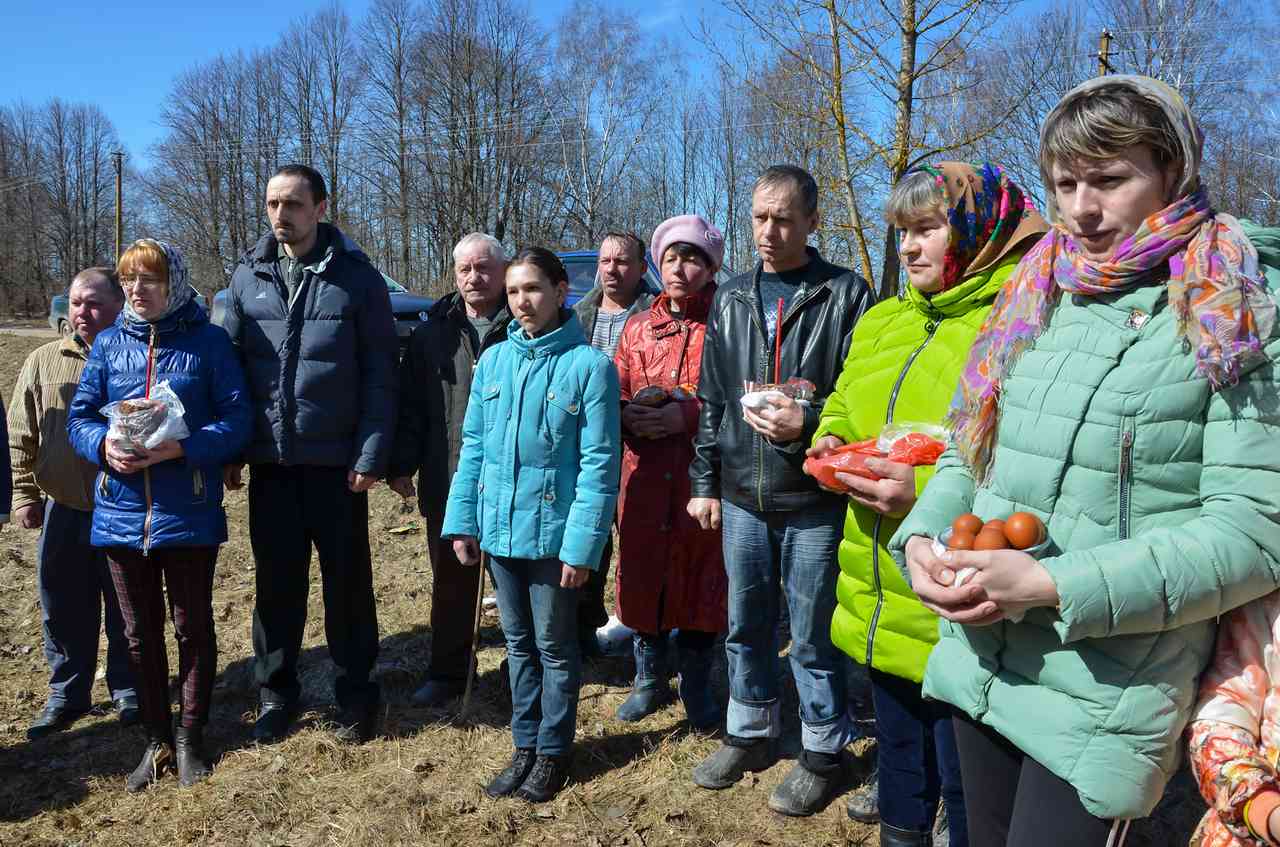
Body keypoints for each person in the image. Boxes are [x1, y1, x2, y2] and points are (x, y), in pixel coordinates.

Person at [889, 76, 1280, 846]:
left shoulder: (1234, 304)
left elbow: (1254, 531)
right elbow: (976, 455)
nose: (1079, 209)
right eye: (1065, 183)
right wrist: (925, 540)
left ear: (1175, 171)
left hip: (1108, 689)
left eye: (1109, 179)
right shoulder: (1038, 294)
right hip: (980, 658)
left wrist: (1052, 584)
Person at [809, 163, 1048, 846]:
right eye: (902, 233)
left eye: (928, 229)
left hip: (954, 595)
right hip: (875, 586)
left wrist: (923, 495)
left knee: (967, 782)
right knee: (899, 764)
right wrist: (829, 436)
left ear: (976, 232)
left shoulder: (1017, 320)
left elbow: (1027, 458)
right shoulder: (883, 318)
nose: (910, 247)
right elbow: (845, 398)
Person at [688, 164, 876, 816]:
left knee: (815, 630)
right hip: (741, 495)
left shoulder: (847, 295)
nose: (768, 231)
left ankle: (823, 750)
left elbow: (865, 400)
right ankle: (752, 730)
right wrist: (705, 482)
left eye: (784, 219)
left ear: (812, 222)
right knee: (745, 623)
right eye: (759, 217)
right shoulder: (732, 296)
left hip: (814, 500)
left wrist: (812, 420)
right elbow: (711, 398)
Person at [221, 163, 398, 744]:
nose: (280, 216)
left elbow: (379, 376)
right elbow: (231, 373)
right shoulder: (248, 277)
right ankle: (276, 693)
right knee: (276, 585)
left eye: (293, 204)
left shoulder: (357, 278)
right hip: (272, 464)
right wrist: (233, 450)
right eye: (272, 204)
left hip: (337, 466)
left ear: (321, 208)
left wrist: (371, 454)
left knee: (347, 584)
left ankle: (356, 693)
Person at [66, 239, 250, 791]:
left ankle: (192, 737)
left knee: (192, 627)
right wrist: (103, 447)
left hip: (187, 509)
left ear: (174, 283)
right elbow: (79, 419)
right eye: (128, 280)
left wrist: (183, 448)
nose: (136, 291)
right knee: (138, 636)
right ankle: (155, 741)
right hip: (119, 513)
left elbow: (238, 419)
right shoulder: (107, 346)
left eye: (148, 280)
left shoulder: (209, 343)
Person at [443, 247, 620, 803]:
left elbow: (598, 465)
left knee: (555, 647)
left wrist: (582, 548)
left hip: (554, 537)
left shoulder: (590, 368)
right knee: (517, 646)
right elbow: (473, 447)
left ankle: (552, 751)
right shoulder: (494, 361)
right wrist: (462, 522)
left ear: (562, 291)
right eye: (515, 290)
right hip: (499, 532)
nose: (522, 300)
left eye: (534, 289)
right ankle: (523, 744)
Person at [12, 267, 139, 740]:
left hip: (122, 507)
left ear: (118, 306)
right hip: (63, 507)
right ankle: (68, 691)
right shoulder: (44, 360)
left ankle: (129, 688)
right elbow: (19, 433)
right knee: (62, 605)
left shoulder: (135, 358)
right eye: (74, 303)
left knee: (126, 605)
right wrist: (25, 494)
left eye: (93, 303)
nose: (81, 313)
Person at [612, 215, 727, 730]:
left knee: (702, 578)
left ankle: (700, 683)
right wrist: (624, 413)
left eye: (694, 258)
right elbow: (611, 388)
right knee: (642, 574)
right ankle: (649, 678)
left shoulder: (729, 321)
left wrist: (686, 416)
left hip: (699, 475)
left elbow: (741, 396)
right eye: (672, 257)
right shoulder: (637, 327)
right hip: (641, 473)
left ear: (711, 265)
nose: (681, 268)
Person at [388, 232, 512, 706]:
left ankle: (522, 670)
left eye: (484, 268)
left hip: (513, 479)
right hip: (450, 474)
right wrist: (401, 464)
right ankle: (447, 670)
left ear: (502, 272)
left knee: (514, 580)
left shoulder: (525, 324)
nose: (474, 278)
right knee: (452, 581)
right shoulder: (432, 332)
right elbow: (414, 407)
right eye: (465, 269)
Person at [573, 231, 654, 656]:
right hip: (586, 450)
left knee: (639, 546)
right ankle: (586, 631)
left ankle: (645, 639)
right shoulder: (577, 316)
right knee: (588, 542)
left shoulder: (655, 313)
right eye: (605, 261)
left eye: (622, 261)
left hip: (640, 447)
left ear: (643, 267)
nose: (611, 269)